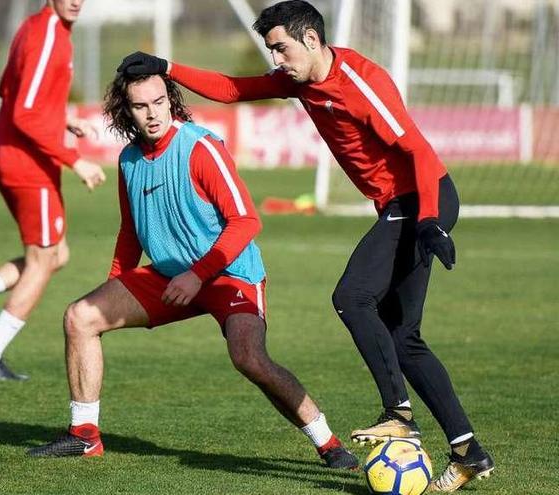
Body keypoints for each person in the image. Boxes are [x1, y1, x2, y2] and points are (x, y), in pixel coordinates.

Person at [117, 1, 494, 491]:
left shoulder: (361, 81)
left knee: (352, 298)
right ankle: (468, 452)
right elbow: (233, 90)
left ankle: (398, 415)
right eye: (271, 49)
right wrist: (167, 68)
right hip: (400, 208)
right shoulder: (298, 80)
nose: (276, 59)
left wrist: (427, 222)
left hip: (421, 200)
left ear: (311, 40)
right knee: (404, 338)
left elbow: (417, 150)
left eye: (281, 48)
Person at [26, 70, 359, 470]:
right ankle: (84, 436)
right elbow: (130, 231)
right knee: (80, 317)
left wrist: (198, 275)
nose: (152, 113)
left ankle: (328, 442)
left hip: (229, 273)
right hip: (169, 276)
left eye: (159, 102)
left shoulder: (201, 147)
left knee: (249, 358)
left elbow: (246, 221)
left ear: (171, 100)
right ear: (126, 111)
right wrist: (117, 284)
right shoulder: (129, 160)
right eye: (140, 106)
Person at [0, 0, 106, 381]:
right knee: (44, 259)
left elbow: (10, 92)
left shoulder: (37, 28)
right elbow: (25, 113)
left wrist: (65, 119)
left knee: (55, 254)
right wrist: (74, 159)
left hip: (15, 157)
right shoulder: (48, 34)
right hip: (28, 165)